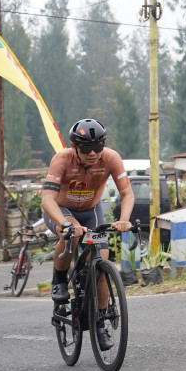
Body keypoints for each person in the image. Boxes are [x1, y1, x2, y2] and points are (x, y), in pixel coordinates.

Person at [40, 119, 134, 346]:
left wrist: (124, 220)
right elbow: (47, 199)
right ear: (74, 147)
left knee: (101, 262)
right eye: (86, 149)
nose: (93, 153)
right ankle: (59, 279)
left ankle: (100, 322)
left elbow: (127, 193)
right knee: (72, 234)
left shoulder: (111, 158)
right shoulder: (62, 159)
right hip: (62, 210)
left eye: (98, 147)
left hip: (91, 212)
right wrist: (64, 223)